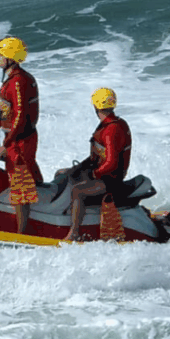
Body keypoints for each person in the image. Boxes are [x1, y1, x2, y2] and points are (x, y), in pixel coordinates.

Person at [0, 37, 43, 234]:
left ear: (10, 57)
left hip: (20, 139)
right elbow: (8, 113)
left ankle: (22, 231)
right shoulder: (14, 78)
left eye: (0, 55)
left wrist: (6, 145)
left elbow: (20, 116)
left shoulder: (18, 82)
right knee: (29, 175)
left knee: (20, 186)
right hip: (17, 137)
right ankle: (41, 210)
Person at [61, 87, 132, 241]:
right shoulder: (113, 123)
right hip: (104, 174)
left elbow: (111, 163)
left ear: (95, 106)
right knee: (62, 174)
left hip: (110, 180)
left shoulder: (111, 129)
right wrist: (77, 168)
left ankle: (73, 233)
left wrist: (93, 174)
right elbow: (97, 156)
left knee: (78, 191)